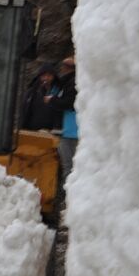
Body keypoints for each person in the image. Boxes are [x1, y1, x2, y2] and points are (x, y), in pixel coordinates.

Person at [54, 56, 78, 213]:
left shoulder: (72, 83)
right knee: (66, 167)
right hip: (66, 131)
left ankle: (69, 201)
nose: (62, 69)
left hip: (72, 132)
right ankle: (66, 200)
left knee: (69, 167)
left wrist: (54, 101)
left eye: (65, 66)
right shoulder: (64, 83)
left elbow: (68, 103)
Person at [21, 64, 61, 130]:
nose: (46, 78)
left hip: (52, 130)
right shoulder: (32, 92)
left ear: (54, 76)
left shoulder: (59, 91)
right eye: (43, 75)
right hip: (32, 129)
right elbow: (25, 109)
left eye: (49, 75)